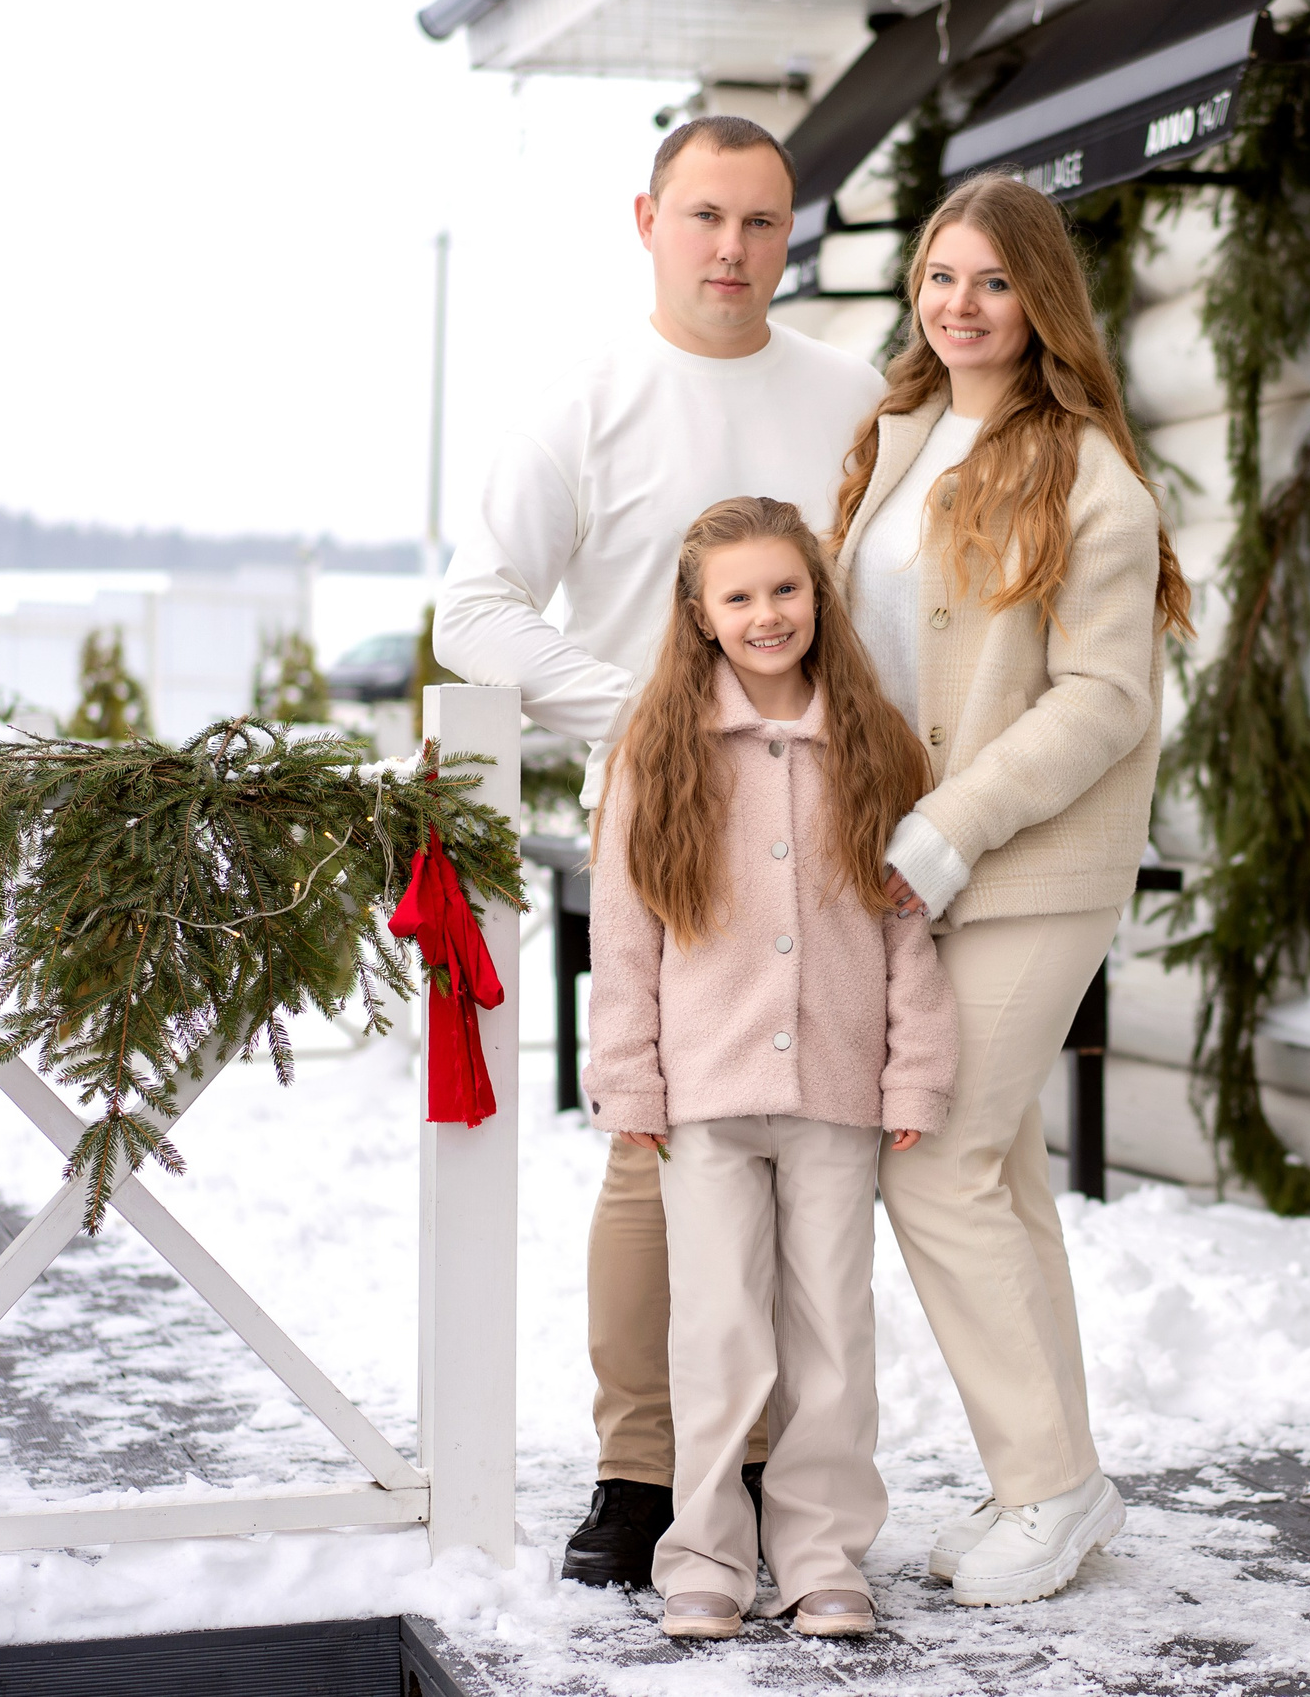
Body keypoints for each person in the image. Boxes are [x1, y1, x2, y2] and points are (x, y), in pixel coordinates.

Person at [433, 116, 885, 1587]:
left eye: (760, 223)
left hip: (832, 830)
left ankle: (761, 1466)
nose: (732, 250)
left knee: (809, 1156)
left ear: (791, 229)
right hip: (674, 829)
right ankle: (641, 1469)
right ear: (648, 219)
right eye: (704, 217)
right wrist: (646, 718)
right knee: (659, 1144)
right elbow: (474, 608)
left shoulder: (853, 395)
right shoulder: (588, 398)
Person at [831, 173, 1193, 1608]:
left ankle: (1044, 1484)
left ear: (1040, 298)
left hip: (1028, 867)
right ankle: (1062, 1477)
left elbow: (1106, 698)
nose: (960, 305)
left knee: (933, 1155)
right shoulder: (895, 433)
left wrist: (951, 824)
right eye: (940, 276)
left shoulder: (1090, 471)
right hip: (908, 859)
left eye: (991, 280)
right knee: (1002, 1171)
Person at [583, 495, 956, 1640]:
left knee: (832, 1335)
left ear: (818, 597)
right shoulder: (655, 752)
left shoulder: (876, 743)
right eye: (737, 597)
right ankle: (703, 1554)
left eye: (784, 589)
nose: (765, 614)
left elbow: (907, 926)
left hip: (838, 1093)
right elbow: (623, 931)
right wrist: (630, 1082)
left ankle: (823, 1557)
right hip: (704, 1098)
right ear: (698, 616)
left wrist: (914, 1073)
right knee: (719, 1333)